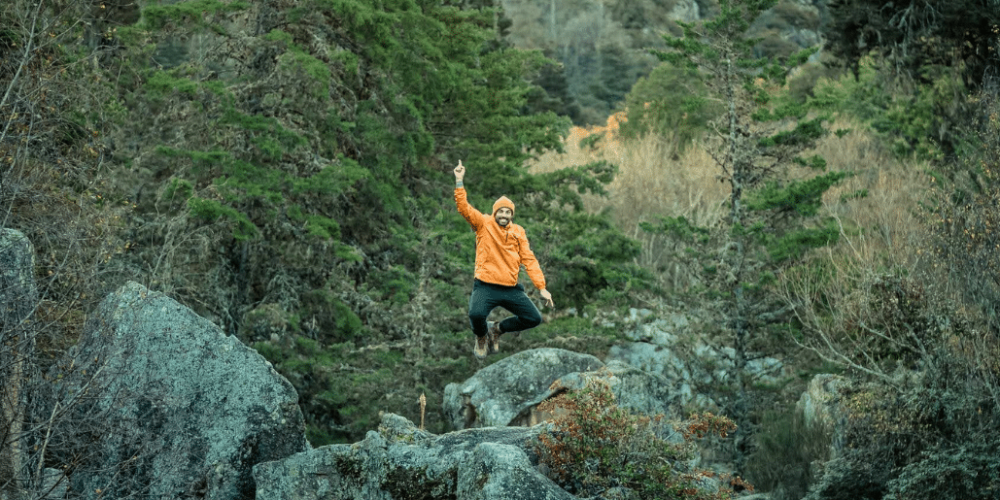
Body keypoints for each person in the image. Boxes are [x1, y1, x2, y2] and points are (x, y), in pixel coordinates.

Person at [453, 159, 555, 360]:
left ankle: (497, 329)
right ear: (495, 212)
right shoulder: (483, 224)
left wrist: (541, 287)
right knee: (476, 315)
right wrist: (459, 181)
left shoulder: (518, 232)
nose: (504, 215)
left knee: (533, 318)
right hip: (485, 286)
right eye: (501, 211)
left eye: (508, 212)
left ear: (511, 215)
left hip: (510, 288)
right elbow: (464, 208)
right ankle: (482, 336)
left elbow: (529, 259)